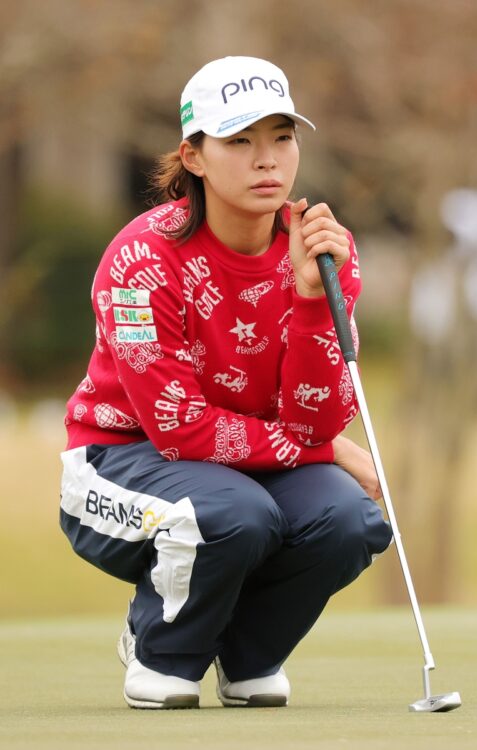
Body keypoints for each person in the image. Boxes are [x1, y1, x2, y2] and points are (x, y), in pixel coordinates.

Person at [59, 56, 392, 710]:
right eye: (240, 140)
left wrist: (311, 299)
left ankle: (248, 654)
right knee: (234, 514)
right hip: (118, 461)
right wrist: (328, 452)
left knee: (347, 519)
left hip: (249, 465)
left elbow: (314, 422)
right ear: (195, 157)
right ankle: (162, 648)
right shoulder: (140, 261)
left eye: (282, 137)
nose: (267, 159)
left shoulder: (322, 251)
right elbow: (178, 428)